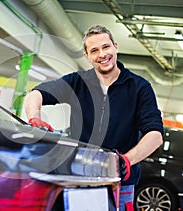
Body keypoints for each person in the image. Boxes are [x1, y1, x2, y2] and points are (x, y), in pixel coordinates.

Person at [24, 25, 164, 211]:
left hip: (121, 183)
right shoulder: (77, 82)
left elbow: (155, 134)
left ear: (115, 46)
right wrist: (35, 117)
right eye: (94, 50)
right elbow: (37, 93)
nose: (102, 54)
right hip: (79, 178)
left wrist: (126, 161)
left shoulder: (139, 87)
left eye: (106, 47)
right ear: (87, 56)